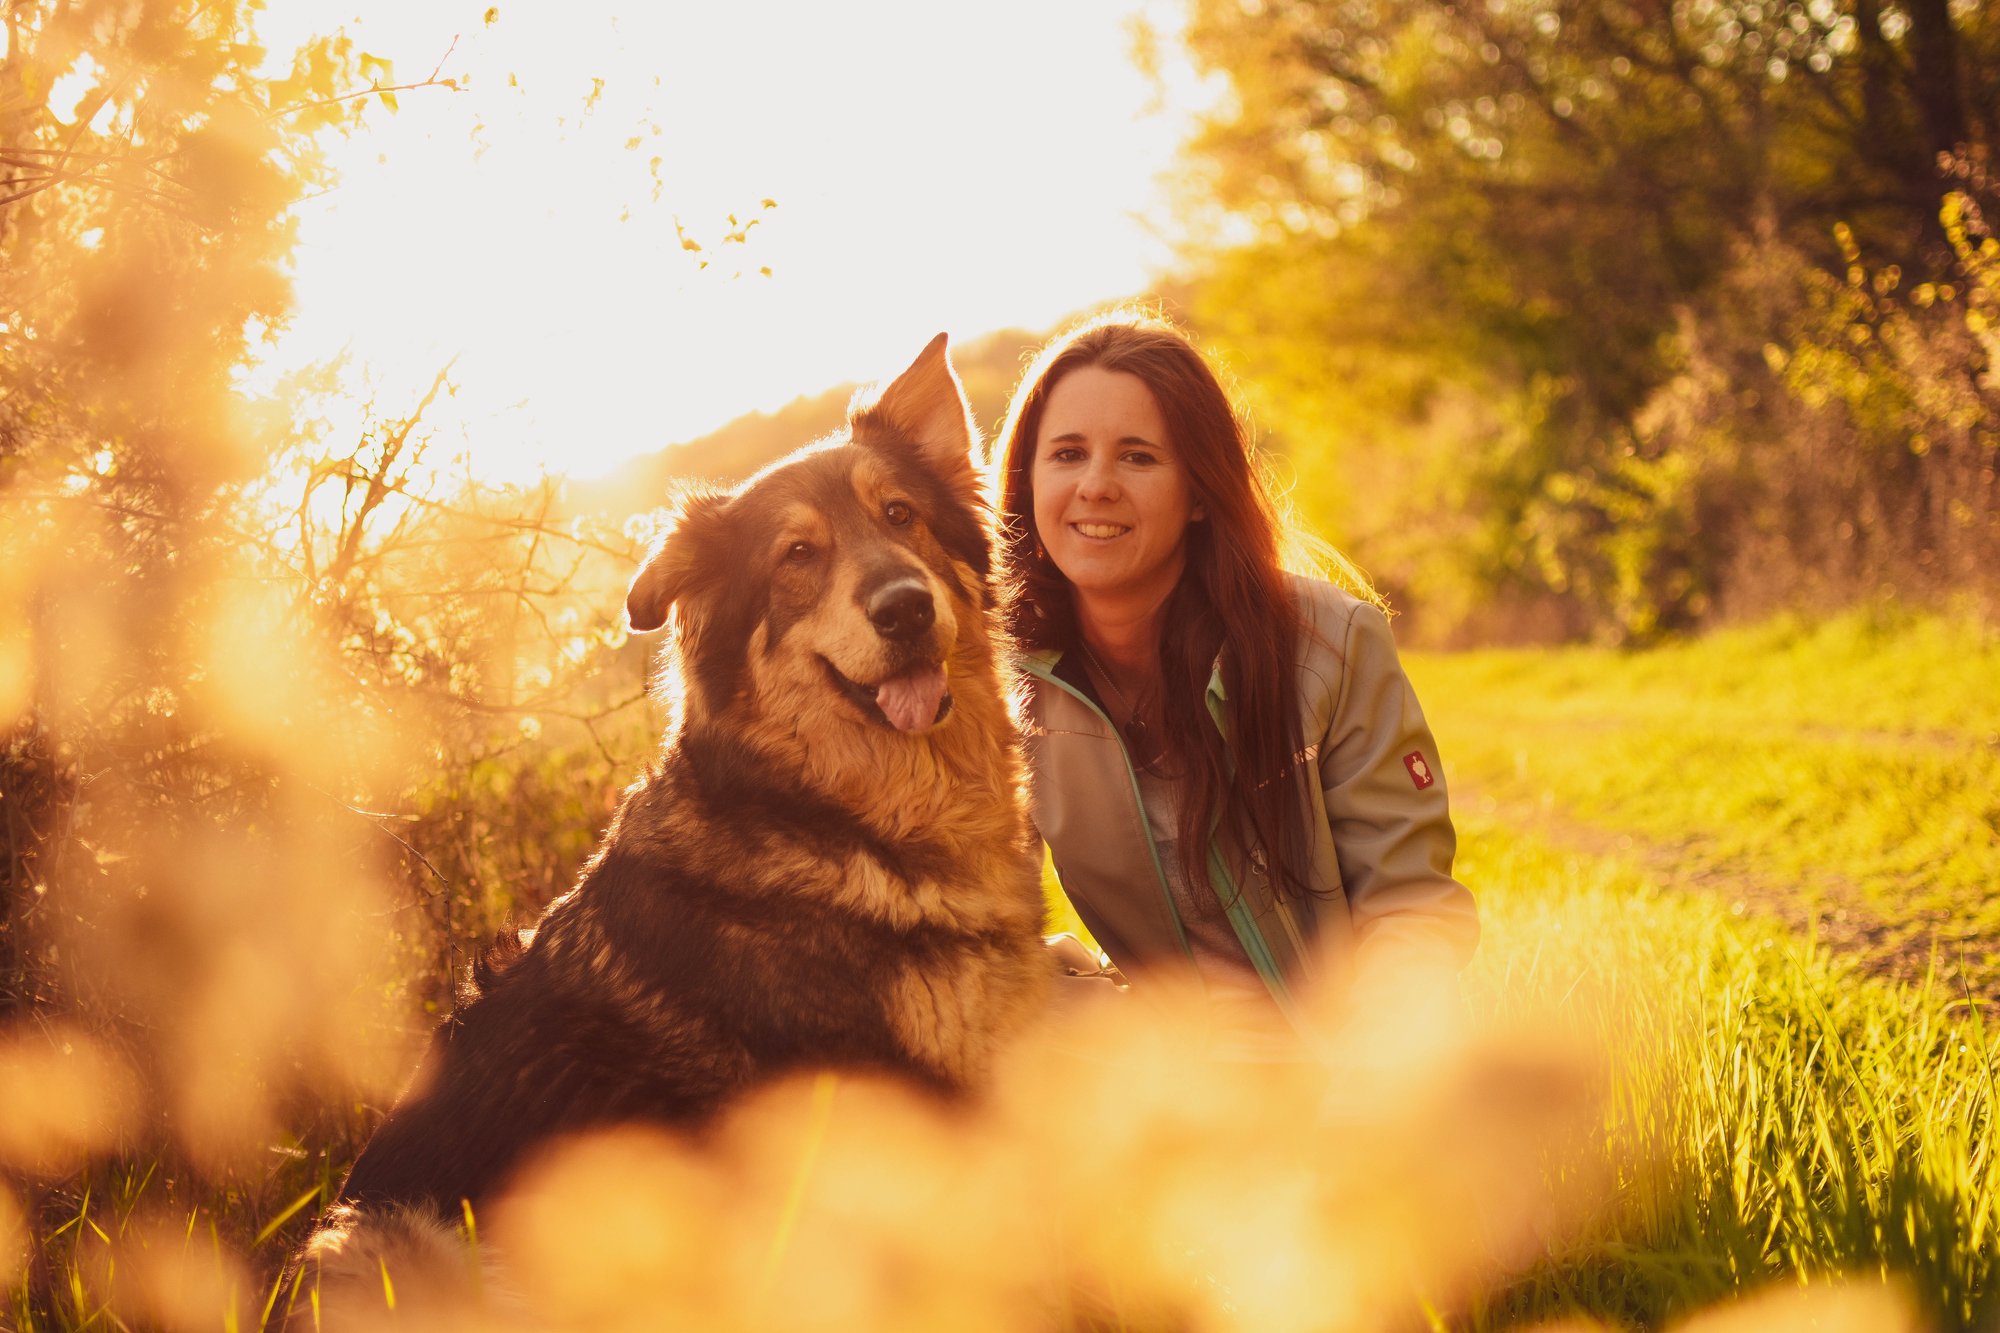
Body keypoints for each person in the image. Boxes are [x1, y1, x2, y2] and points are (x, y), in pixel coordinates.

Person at [994, 310, 1478, 1058]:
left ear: (1198, 490)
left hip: (1334, 1067)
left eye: (1138, 457)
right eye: (1066, 453)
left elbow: (1410, 909)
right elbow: (968, 915)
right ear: (1028, 482)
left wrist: (1375, 1087)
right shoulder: (1004, 685)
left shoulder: (1332, 645)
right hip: (1164, 1082)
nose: (1095, 486)